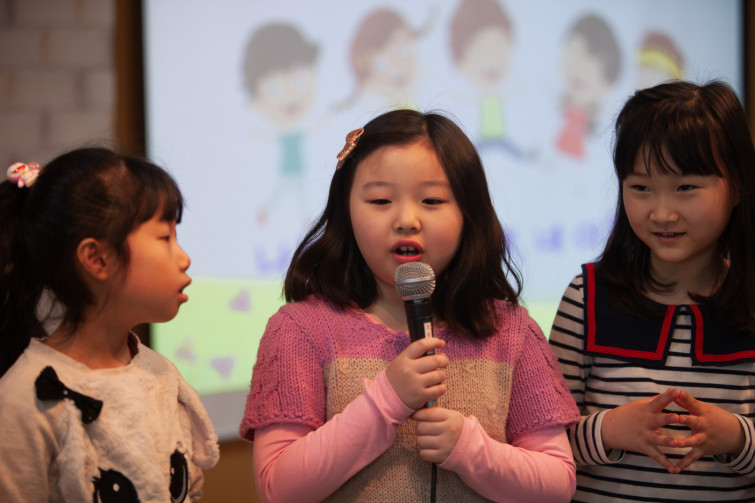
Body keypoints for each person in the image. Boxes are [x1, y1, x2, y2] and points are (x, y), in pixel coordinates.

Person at [240, 109, 580, 502]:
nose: (407, 220)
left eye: (432, 200)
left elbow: (558, 485)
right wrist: (386, 401)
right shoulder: (300, 329)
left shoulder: (512, 331)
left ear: (468, 213)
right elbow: (278, 490)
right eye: (381, 200)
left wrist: (470, 450)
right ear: (346, 210)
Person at [548, 80, 755, 501]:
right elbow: (541, 441)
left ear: (736, 185)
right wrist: (610, 429)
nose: (661, 213)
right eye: (641, 187)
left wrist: (736, 437)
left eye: (685, 187)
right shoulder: (586, 297)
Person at [0, 148, 219, 502]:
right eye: (165, 238)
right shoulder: (25, 401)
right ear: (97, 258)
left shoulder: (161, 373)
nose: (184, 258)